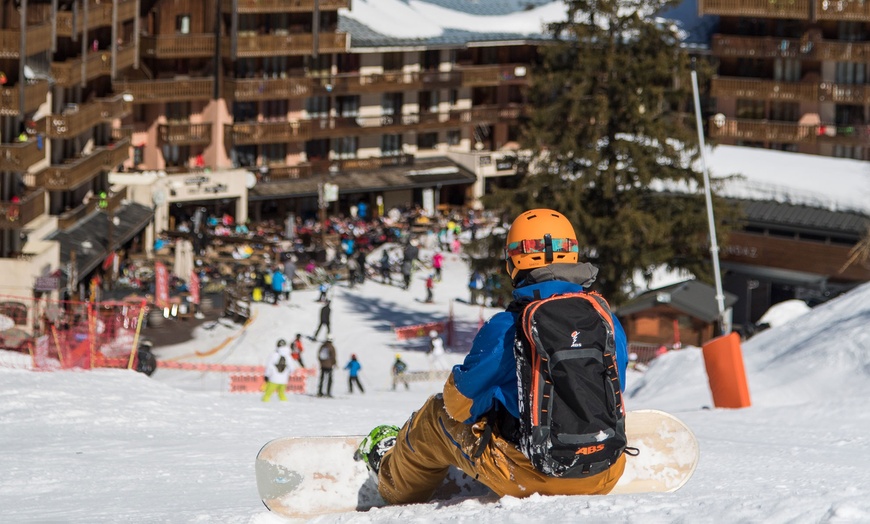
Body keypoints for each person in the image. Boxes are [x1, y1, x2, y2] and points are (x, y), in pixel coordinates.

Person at [355, 208, 629, 505]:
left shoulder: (508, 327)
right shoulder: (603, 318)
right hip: (606, 471)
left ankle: (392, 480)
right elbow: (616, 387)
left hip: (530, 476)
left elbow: (459, 405)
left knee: (435, 416)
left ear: (514, 260)